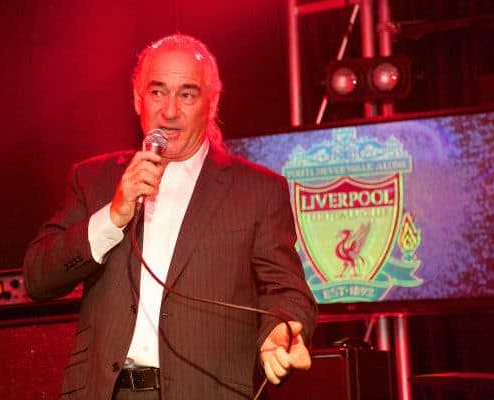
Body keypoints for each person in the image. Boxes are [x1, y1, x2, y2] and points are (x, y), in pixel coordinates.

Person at [23, 33, 318, 400]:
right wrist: (113, 215)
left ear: (211, 104)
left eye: (187, 94)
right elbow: (37, 277)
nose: (170, 111)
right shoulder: (94, 179)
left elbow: (286, 291)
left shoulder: (258, 190)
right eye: (157, 92)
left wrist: (280, 329)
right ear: (137, 99)